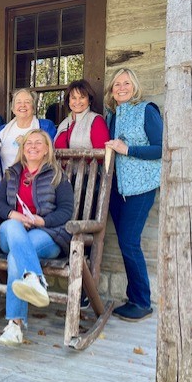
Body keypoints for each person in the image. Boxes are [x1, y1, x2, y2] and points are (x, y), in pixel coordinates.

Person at [0, 129, 73, 346]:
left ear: (47, 149)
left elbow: (66, 211)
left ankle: (14, 325)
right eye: (29, 143)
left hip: (46, 234)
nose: (33, 146)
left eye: (39, 143)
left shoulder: (57, 175)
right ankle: (35, 279)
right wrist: (14, 214)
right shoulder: (11, 174)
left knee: (14, 260)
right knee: (11, 224)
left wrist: (41, 221)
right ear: (23, 148)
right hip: (12, 233)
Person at [104, 68, 163, 322]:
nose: (121, 87)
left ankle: (142, 302)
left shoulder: (147, 110)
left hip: (141, 187)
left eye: (126, 83)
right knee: (125, 242)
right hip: (117, 189)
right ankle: (133, 296)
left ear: (134, 86)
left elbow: (161, 148)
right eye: (117, 84)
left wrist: (127, 149)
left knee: (129, 242)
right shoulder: (112, 115)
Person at [0, 89, 56, 174]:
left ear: (33, 108)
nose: (23, 105)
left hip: (37, 181)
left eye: (27, 102)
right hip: (7, 182)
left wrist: (27, 144)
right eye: (18, 102)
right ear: (13, 108)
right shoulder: (3, 130)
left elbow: (51, 152)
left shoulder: (46, 126)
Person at [54, 79, 110, 149]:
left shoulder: (96, 121)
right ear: (68, 101)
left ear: (89, 100)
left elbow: (103, 154)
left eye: (82, 97)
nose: (77, 102)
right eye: (73, 98)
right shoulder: (64, 123)